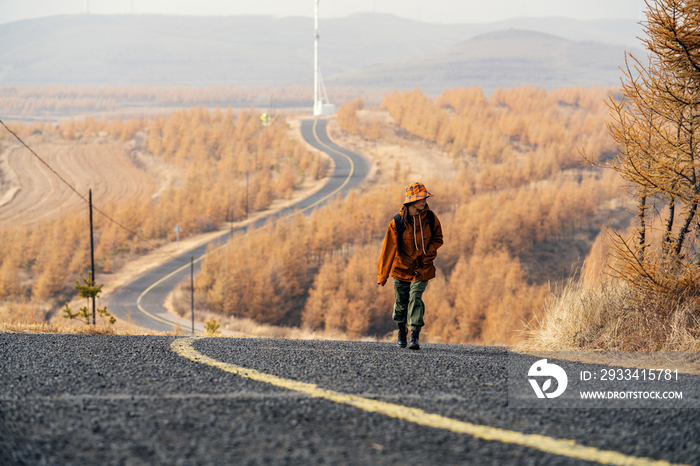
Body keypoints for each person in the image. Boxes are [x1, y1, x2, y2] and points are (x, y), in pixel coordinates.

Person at [377, 182, 443, 350]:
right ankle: (401, 330)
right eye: (421, 198)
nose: (424, 201)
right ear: (411, 201)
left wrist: (429, 253)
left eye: (425, 198)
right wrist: (382, 276)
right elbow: (388, 250)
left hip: (423, 268)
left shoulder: (430, 218)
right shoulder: (397, 222)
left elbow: (438, 238)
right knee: (401, 303)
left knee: (415, 297)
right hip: (401, 270)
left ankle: (414, 335)